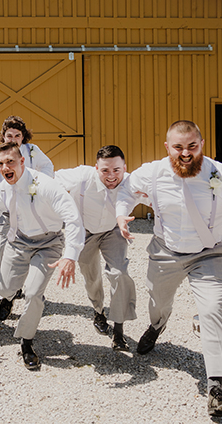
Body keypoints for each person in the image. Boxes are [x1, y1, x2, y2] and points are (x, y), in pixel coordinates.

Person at [116, 120, 222, 417]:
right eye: (178, 147)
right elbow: (126, 191)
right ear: (167, 147)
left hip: (208, 254)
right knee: (158, 304)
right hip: (165, 253)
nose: (185, 153)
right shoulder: (153, 172)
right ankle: (157, 325)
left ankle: (216, 388)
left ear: (202, 144)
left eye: (192, 146)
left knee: (212, 311)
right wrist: (122, 214)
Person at [0, 142, 83, 370]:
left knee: (33, 292)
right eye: (1, 163)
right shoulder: (5, 186)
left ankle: (27, 341)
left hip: (48, 244)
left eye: (10, 162)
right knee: (4, 289)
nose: (5, 167)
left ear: (22, 161)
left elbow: (73, 218)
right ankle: (8, 298)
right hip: (18, 241)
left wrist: (70, 255)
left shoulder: (46, 185)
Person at [54, 145, 137, 351]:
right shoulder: (81, 176)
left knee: (119, 274)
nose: (111, 176)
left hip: (113, 231)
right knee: (92, 277)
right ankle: (99, 311)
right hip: (85, 232)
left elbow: (158, 195)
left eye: (116, 170)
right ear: (96, 168)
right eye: (105, 170)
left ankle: (119, 331)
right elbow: (49, 181)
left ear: (125, 168)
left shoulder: (132, 182)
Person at [0, 116, 55, 321]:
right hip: (3, 210)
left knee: (29, 250)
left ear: (23, 137)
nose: (13, 139)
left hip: (28, 211)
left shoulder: (33, 151)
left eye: (17, 135)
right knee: (0, 250)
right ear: (3, 136)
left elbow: (48, 167)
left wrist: (38, 185)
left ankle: (28, 289)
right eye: (9, 135)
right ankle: (1, 297)